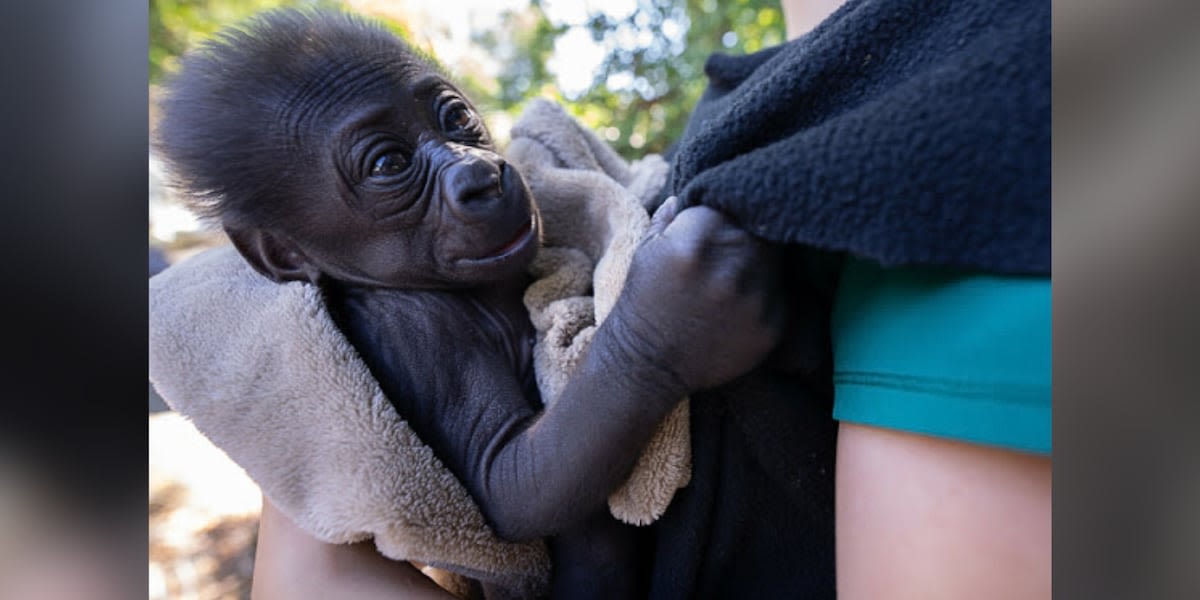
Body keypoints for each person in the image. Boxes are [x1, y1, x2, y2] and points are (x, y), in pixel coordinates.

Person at [251, 0, 1050, 597]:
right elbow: (511, 494)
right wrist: (641, 351)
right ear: (286, 251)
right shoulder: (386, 323)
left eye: (455, 118)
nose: (470, 166)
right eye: (389, 164)